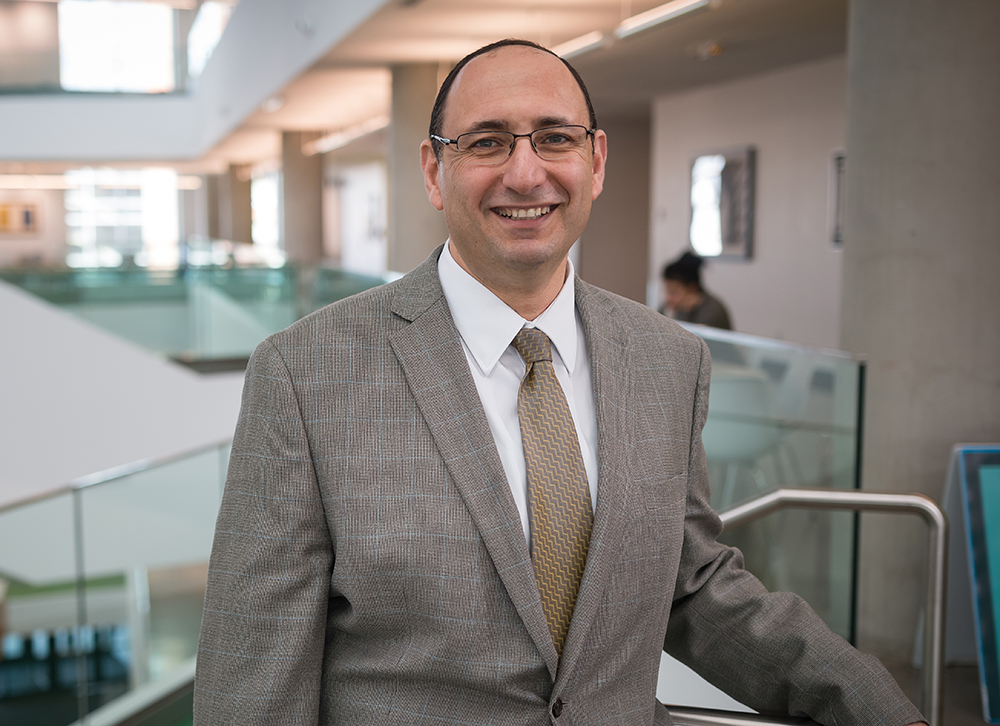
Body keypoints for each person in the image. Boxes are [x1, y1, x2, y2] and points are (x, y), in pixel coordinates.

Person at [193, 39, 923, 726]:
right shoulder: (305, 373)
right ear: (432, 170)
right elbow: (253, 676)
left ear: (595, 161)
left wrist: (878, 708)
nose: (524, 172)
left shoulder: (669, 360)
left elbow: (694, 588)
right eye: (485, 142)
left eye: (554, 137)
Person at [661, 251, 732, 330]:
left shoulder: (712, 312)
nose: (668, 298)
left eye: (674, 292)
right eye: (667, 291)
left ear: (692, 288)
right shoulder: (674, 307)